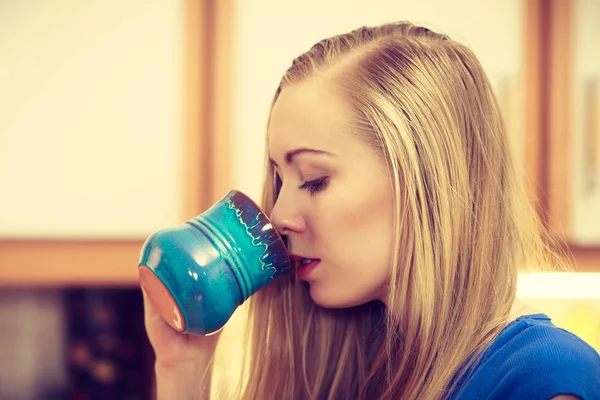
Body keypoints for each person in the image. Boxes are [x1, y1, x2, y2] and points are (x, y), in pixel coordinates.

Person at [143, 21, 600, 399]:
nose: (278, 215)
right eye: (280, 180)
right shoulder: (358, 375)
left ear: (425, 180)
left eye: (315, 180)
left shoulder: (541, 380)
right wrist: (181, 371)